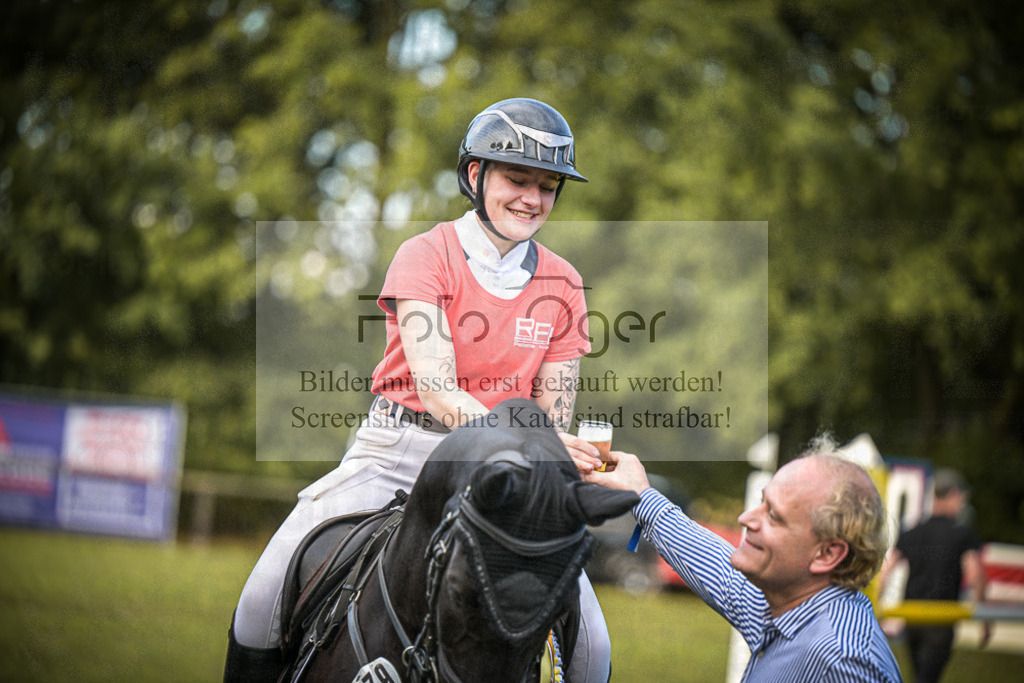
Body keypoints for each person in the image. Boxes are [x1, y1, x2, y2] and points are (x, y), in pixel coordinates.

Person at [225, 98, 612, 681]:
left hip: (505, 475)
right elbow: (437, 391)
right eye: (517, 178)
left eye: (548, 185)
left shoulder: (565, 281)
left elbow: (552, 413)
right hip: (398, 452)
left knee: (593, 650)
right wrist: (519, 440)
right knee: (260, 601)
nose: (533, 199)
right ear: (476, 175)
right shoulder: (426, 256)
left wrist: (559, 450)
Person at [585, 434, 903, 682]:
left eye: (774, 516)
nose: (747, 518)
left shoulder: (844, 661)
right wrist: (641, 494)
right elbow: (718, 568)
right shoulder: (789, 605)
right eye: (761, 503)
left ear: (828, 554)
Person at [877, 468, 989, 683]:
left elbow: (887, 569)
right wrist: (984, 618)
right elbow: (975, 576)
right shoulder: (962, 534)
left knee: (918, 675)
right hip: (941, 619)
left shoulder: (913, 530)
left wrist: (875, 609)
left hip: (912, 617)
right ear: (954, 495)